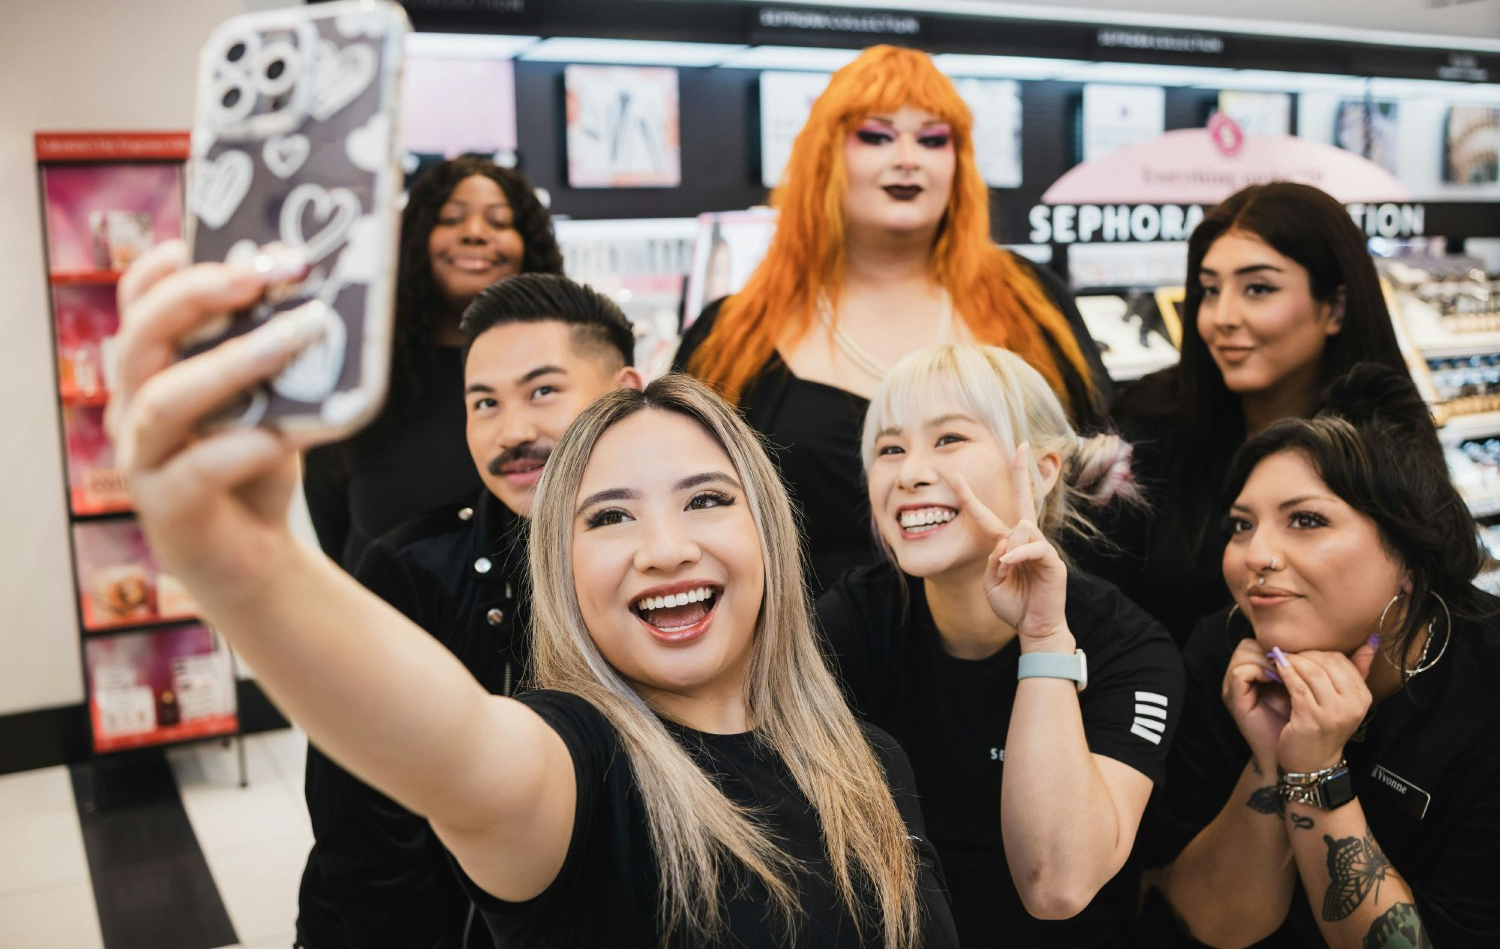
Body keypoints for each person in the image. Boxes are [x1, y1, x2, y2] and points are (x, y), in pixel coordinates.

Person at [108, 244, 960, 948]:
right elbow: (455, 747)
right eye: (610, 518)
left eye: (706, 499)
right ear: (562, 571)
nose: (666, 551)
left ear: (770, 532)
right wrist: (249, 564)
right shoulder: (579, 774)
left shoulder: (870, 758)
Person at [296, 273, 643, 949]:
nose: (512, 431)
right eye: (484, 402)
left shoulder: (673, 564)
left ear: (624, 395)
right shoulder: (409, 572)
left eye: (543, 392)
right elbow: (366, 835)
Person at [676, 45, 1106, 590]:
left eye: (932, 139)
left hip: (1019, 633)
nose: (908, 158)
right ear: (826, 157)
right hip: (809, 655)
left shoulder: (1031, 300)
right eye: (876, 136)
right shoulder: (734, 335)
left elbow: (1096, 474)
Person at [817, 343, 1183, 947]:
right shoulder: (856, 617)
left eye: (949, 440)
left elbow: (1058, 886)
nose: (909, 473)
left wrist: (1042, 638)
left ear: (1040, 471)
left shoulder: (1130, 649)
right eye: (889, 449)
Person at [1143, 365, 1500, 946]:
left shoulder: (1484, 691)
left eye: (1305, 520)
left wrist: (1315, 769)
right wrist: (1268, 760)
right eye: (1241, 525)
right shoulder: (1222, 652)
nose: (1255, 554)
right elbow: (1214, 924)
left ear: (1409, 556)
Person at [1082, 182, 1407, 645]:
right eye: (1210, 290)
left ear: (1334, 307)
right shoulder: (1150, 426)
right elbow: (1098, 598)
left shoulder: (1388, 450)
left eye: (1258, 288)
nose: (1223, 317)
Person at [303, 154, 563, 571]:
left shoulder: (568, 377)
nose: (476, 234)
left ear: (528, 245)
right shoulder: (360, 379)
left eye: (499, 222)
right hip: (380, 628)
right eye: (451, 218)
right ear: (418, 238)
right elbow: (330, 523)